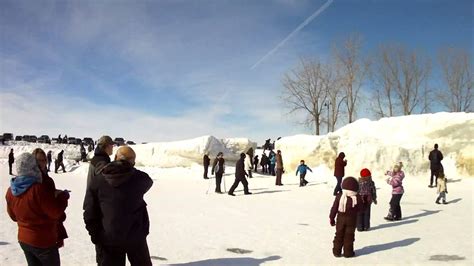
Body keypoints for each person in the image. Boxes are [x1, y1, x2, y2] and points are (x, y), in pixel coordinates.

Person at [83, 146, 153, 266]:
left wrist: (95, 235)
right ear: (132, 162)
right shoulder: (138, 179)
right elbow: (148, 181)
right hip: (135, 236)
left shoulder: (98, 179)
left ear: (115, 157)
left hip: (108, 237)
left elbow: (89, 210)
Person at [6, 153, 68, 266]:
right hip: (43, 241)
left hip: (24, 239)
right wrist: (63, 197)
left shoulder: (11, 190)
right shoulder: (37, 189)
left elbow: (13, 216)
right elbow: (55, 212)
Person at [83, 135, 115, 263]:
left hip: (95, 203)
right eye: (112, 145)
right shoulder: (101, 161)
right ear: (107, 146)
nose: (113, 147)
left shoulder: (98, 159)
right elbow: (106, 178)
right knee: (104, 254)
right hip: (98, 206)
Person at [32, 148, 69, 248]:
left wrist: (55, 193)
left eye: (44, 160)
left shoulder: (46, 178)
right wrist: (63, 197)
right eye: (39, 160)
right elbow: (53, 210)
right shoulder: (35, 179)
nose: (42, 163)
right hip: (44, 230)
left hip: (41, 230)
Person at [329, 176, 361, 258]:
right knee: (349, 236)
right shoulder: (357, 197)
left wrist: (332, 218)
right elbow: (361, 209)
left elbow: (334, 208)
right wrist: (366, 203)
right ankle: (348, 253)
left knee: (339, 235)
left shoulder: (340, 196)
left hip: (340, 220)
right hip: (352, 220)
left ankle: (336, 252)